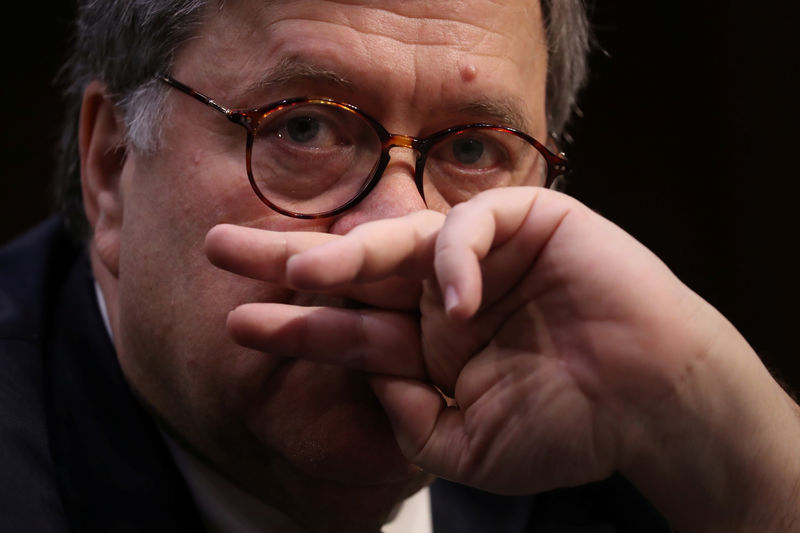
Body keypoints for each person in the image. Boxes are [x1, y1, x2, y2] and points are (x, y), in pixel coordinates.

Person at [1, 0, 798, 532]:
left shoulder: (627, 442)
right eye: (304, 129)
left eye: (473, 149)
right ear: (112, 166)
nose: (406, 234)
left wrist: (742, 454)